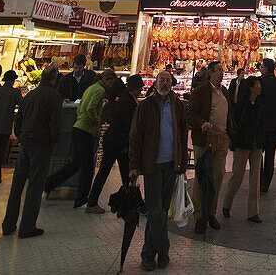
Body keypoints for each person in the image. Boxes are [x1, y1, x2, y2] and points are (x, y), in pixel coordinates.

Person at [129, 68, 188, 271]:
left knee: (161, 210)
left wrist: (182, 161)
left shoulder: (178, 106)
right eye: (161, 80)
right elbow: (136, 136)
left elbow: (182, 133)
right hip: (152, 164)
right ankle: (158, 252)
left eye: (167, 81)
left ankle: (152, 253)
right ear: (154, 84)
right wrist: (134, 165)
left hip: (171, 164)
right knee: (155, 210)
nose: (164, 84)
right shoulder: (146, 107)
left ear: (171, 84)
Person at [2, 62, 62, 238]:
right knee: (35, 185)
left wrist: (21, 135)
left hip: (26, 143)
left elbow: (19, 119)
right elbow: (55, 123)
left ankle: (8, 224)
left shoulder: (29, 95)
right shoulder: (54, 96)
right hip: (41, 144)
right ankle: (27, 227)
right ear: (54, 78)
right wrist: (53, 141)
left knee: (17, 184)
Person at [44, 68, 116, 208]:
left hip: (78, 127)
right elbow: (90, 108)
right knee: (88, 168)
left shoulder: (90, 88)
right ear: (106, 80)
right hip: (86, 130)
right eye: (111, 82)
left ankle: (49, 184)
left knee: (76, 163)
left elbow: (81, 107)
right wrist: (97, 121)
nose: (111, 86)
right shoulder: (100, 91)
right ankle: (82, 199)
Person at [85, 73, 144, 213]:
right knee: (116, 172)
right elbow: (127, 124)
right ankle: (93, 202)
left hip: (115, 141)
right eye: (139, 87)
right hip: (116, 142)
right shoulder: (127, 101)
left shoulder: (127, 99)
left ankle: (134, 203)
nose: (141, 90)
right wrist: (125, 144)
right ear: (134, 88)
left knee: (124, 173)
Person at [186, 60, 234, 235]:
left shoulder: (225, 92)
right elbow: (190, 113)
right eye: (218, 71)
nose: (221, 73)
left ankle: (211, 213)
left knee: (218, 176)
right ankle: (200, 216)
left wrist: (230, 134)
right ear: (211, 73)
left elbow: (230, 115)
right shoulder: (201, 92)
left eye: (222, 70)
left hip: (222, 139)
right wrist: (202, 123)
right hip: (205, 139)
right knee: (202, 179)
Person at [222, 75, 265, 223]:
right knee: (237, 176)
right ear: (251, 88)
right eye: (258, 84)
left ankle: (253, 212)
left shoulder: (260, 103)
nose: (260, 87)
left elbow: (262, 123)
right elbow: (235, 124)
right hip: (242, 144)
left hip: (256, 145)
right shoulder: (241, 105)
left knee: (255, 179)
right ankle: (226, 205)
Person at [259, 57, 276, 193]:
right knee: (270, 155)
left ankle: (259, 181)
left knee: (258, 154)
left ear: (266, 69)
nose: (260, 69)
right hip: (274, 126)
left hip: (261, 125)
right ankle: (266, 183)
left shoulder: (260, 84)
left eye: (262, 67)